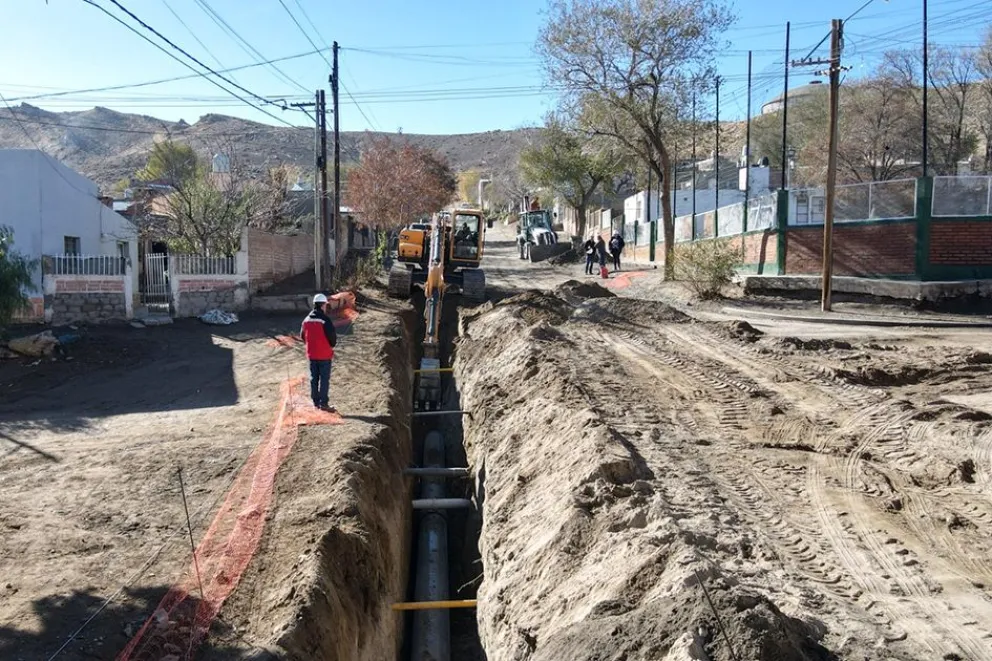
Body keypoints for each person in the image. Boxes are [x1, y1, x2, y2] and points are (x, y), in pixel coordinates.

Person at [300, 293, 338, 412]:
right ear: (322, 305)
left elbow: (302, 336)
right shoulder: (325, 320)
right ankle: (324, 403)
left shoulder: (306, 320)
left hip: (312, 355)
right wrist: (331, 345)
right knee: (324, 379)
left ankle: (316, 402)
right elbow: (332, 337)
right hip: (324, 355)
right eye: (325, 305)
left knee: (314, 378)